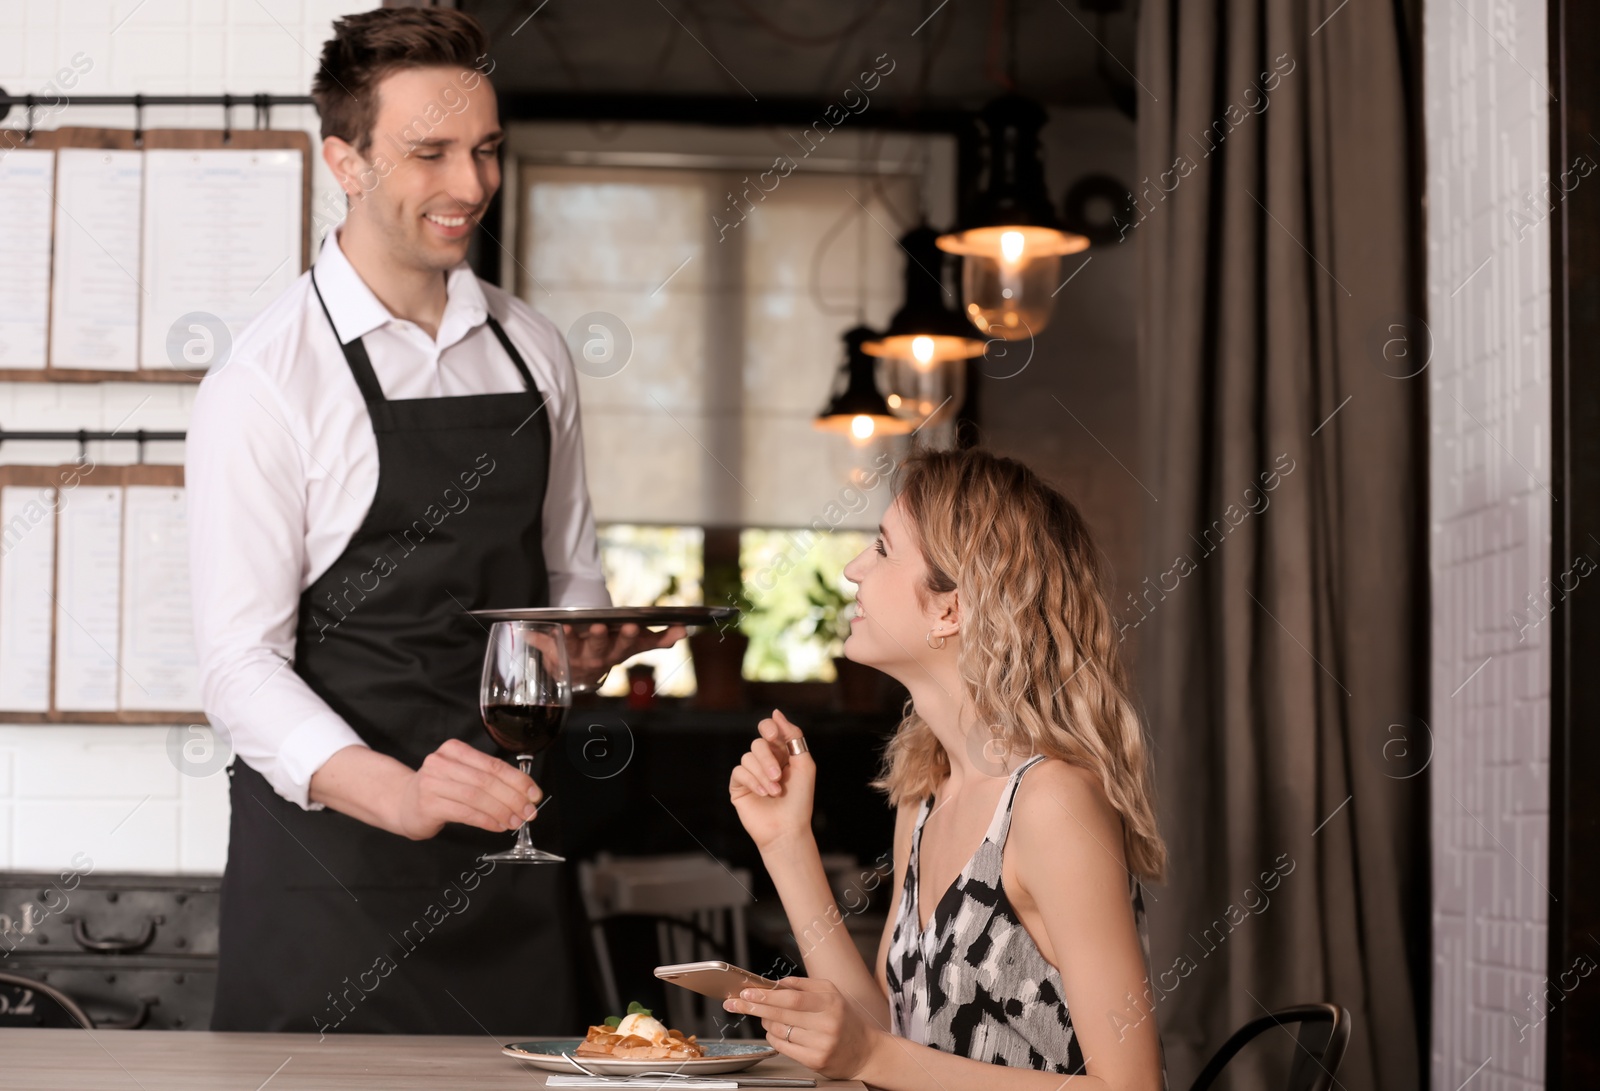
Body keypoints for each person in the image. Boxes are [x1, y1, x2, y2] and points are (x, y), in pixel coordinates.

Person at [186, 8, 676, 1033]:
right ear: (345, 160)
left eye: (486, 150)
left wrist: (584, 645)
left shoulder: (534, 349)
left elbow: (565, 577)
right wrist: (402, 794)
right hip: (331, 876)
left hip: (507, 851)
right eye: (430, 152)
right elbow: (237, 664)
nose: (469, 185)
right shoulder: (267, 382)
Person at [724, 448, 1167, 1089]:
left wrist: (870, 1057)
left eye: (880, 549)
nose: (852, 570)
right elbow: (893, 1030)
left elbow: (1132, 1089)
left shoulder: (1052, 804)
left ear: (950, 610)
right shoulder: (927, 792)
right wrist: (785, 843)